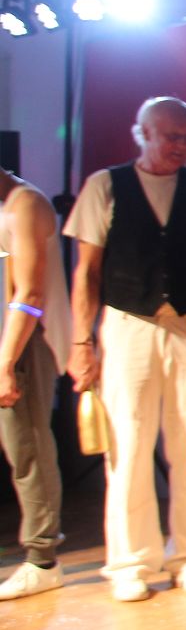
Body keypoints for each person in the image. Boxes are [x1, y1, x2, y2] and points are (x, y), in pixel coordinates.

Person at [64, 96, 186, 603]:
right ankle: (131, 563)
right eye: (171, 136)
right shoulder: (105, 185)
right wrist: (81, 342)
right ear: (144, 133)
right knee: (129, 446)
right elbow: (86, 272)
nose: (181, 145)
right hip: (128, 325)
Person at [0, 166, 71, 600]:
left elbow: (30, 294)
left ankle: (43, 559)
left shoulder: (25, 204)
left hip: (24, 345)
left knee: (26, 445)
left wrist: (6, 362)